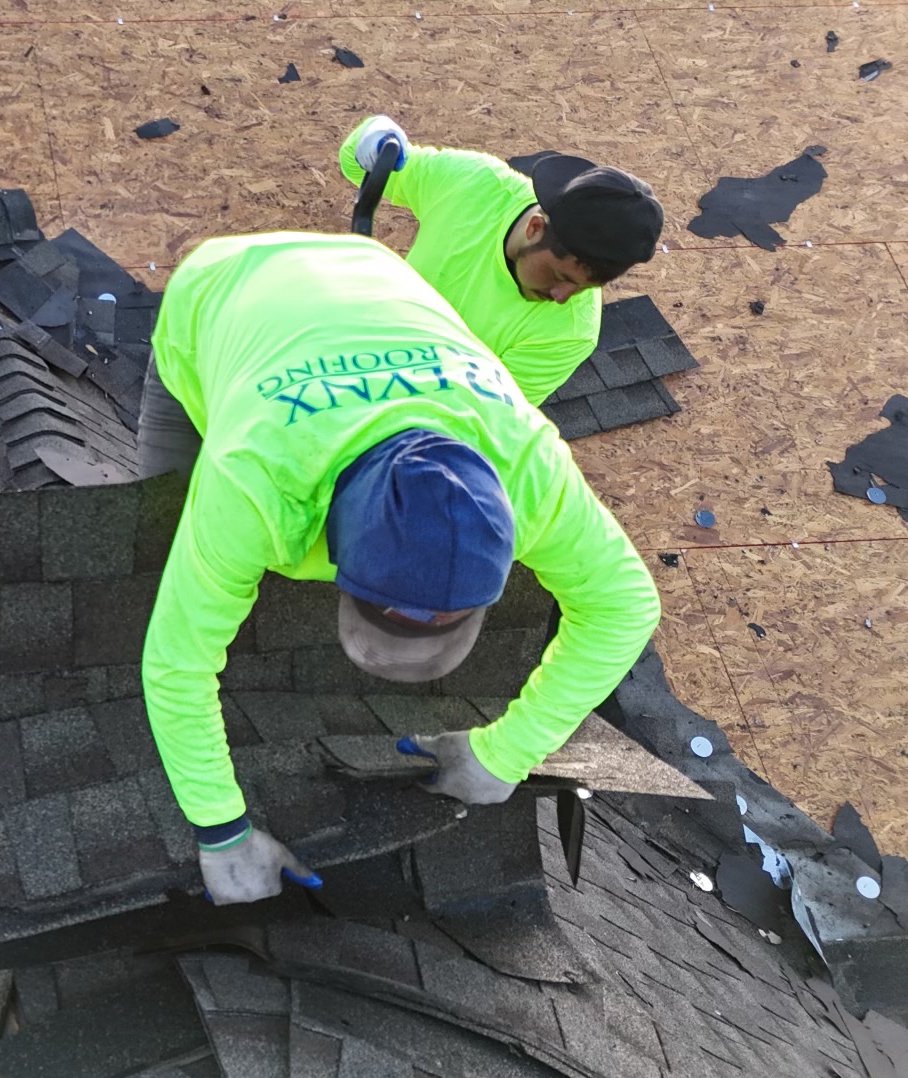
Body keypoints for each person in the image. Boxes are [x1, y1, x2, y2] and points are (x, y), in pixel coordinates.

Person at [137, 232, 659, 906]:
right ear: (327, 537)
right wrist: (221, 831)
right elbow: (175, 663)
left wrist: (508, 752)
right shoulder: (256, 480)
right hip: (224, 284)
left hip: (372, 272)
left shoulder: (529, 469)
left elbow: (626, 607)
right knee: (150, 530)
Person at [339, 115, 664, 406]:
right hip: (346, 352)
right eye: (559, 275)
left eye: (581, 289)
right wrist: (375, 136)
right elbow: (358, 167)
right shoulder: (473, 184)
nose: (562, 297)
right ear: (536, 228)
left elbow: (481, 417)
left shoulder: (569, 334)